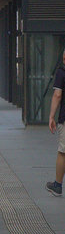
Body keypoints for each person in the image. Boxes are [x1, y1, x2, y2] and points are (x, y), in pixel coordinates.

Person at [46, 46, 65, 196]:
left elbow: (57, 95)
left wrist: (51, 116)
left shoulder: (61, 72)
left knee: (63, 152)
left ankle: (58, 186)